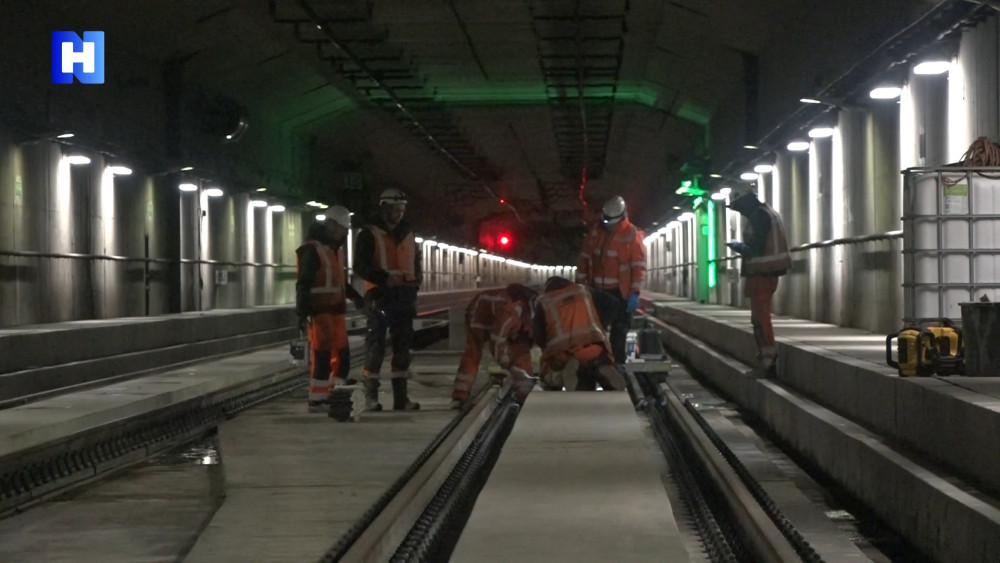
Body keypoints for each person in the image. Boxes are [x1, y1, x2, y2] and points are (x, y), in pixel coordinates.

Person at [353, 188, 422, 411]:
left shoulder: (408, 233)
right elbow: (360, 266)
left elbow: (416, 265)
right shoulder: (368, 233)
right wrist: (383, 278)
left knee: (403, 348)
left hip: (404, 297)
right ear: (384, 208)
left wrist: (414, 288)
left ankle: (401, 398)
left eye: (401, 209)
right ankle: (371, 397)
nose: (398, 214)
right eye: (394, 209)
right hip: (379, 297)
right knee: (376, 347)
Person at [295, 207, 364, 414]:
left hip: (336, 312)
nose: (344, 233)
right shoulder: (312, 249)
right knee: (322, 354)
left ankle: (336, 392)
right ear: (331, 225)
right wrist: (302, 312)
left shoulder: (334, 250)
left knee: (342, 354)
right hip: (320, 312)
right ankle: (317, 399)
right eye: (342, 229)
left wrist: (358, 299)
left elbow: (341, 282)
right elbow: (303, 283)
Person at [726, 183, 792, 378]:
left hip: (762, 274)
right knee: (759, 318)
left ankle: (767, 362)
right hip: (764, 273)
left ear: (745, 201)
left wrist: (737, 246)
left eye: (738, 207)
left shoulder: (759, 216)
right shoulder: (765, 212)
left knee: (761, 319)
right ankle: (765, 359)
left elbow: (755, 248)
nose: (739, 212)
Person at [575, 195, 647, 365]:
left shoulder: (631, 235)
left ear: (622, 216)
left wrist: (634, 293)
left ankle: (618, 367)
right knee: (593, 332)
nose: (608, 224)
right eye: (605, 220)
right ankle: (595, 364)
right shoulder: (595, 233)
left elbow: (638, 267)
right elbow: (584, 259)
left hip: (620, 292)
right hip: (597, 291)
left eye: (611, 221)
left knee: (619, 332)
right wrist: (579, 285)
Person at [450, 283, 538, 410]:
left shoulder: (528, 311)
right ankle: (460, 395)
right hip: (479, 317)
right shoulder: (511, 311)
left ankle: (525, 394)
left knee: (521, 352)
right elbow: (496, 341)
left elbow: (524, 342)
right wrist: (504, 361)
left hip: (501, 319)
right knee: (472, 354)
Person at [532, 276, 624, 392]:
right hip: (593, 347)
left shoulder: (544, 301)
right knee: (597, 359)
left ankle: (562, 376)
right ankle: (601, 368)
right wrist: (600, 324)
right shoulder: (583, 290)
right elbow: (613, 304)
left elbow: (538, 336)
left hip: (565, 353)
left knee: (549, 371)